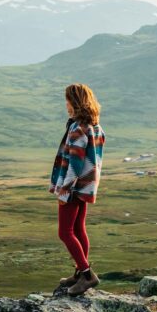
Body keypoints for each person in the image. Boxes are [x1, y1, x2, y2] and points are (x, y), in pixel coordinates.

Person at [49, 83, 106, 296]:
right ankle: (79, 273)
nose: (66, 105)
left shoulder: (78, 129)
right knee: (79, 229)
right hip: (86, 187)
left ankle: (87, 274)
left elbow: (74, 164)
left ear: (76, 102)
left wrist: (64, 192)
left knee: (65, 232)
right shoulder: (95, 127)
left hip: (72, 188)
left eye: (68, 101)